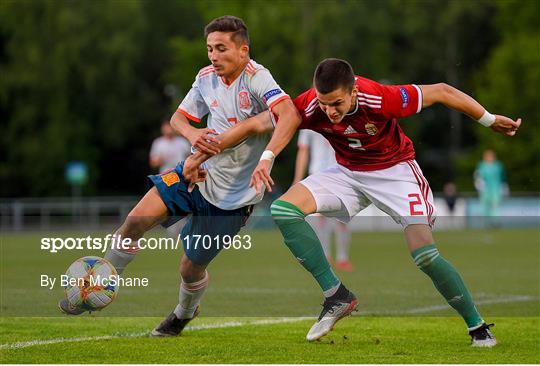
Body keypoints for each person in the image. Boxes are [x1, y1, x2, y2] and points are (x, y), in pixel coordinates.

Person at [58, 16, 301, 339]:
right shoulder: (205, 78)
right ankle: (98, 289)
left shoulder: (257, 78)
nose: (213, 56)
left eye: (222, 49)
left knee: (190, 267)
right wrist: (192, 133)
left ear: (243, 50)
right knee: (133, 222)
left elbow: (289, 114)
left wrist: (267, 158)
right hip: (194, 176)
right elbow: (178, 118)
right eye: (210, 49)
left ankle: (184, 313)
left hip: (232, 200)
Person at [250, 58, 521, 346]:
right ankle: (336, 295)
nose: (328, 111)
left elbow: (442, 91)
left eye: (336, 104)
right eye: (323, 103)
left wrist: (489, 120)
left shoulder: (379, 97)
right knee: (284, 209)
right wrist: (224, 147)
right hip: (348, 173)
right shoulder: (312, 103)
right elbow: (264, 122)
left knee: (425, 256)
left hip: (395, 173)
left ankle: (477, 327)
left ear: (353, 92)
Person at [294, 129, 353, 271]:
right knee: (320, 217)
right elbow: (303, 150)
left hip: (341, 172)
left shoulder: (340, 112)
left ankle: (342, 258)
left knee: (342, 217)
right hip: (318, 174)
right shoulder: (308, 119)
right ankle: (325, 257)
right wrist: (297, 179)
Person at [474, 149, 507, 226]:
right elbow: (478, 176)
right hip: (485, 190)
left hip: (496, 190)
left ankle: (495, 222)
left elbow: (503, 177)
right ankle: (486, 222)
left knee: (495, 206)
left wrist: (504, 186)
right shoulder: (481, 165)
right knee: (484, 206)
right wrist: (478, 183)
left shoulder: (498, 165)